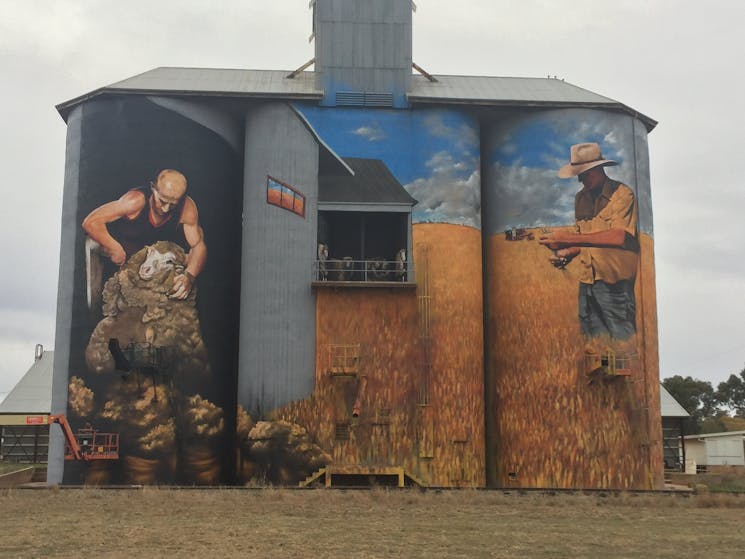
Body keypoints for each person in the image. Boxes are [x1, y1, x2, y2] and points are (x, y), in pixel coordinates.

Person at [539, 142, 638, 340]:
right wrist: (567, 253)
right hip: (587, 282)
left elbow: (619, 237)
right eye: (578, 174)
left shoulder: (622, 195)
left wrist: (566, 238)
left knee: (623, 345)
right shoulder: (580, 198)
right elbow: (586, 239)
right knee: (595, 346)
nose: (580, 180)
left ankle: (621, 371)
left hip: (615, 284)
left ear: (598, 169)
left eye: (584, 174)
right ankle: (604, 370)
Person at [82, 169, 206, 299]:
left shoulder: (187, 208)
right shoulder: (135, 201)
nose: (166, 209)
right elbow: (90, 222)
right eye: (162, 201)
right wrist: (114, 248)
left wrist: (189, 276)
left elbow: (198, 246)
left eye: (173, 205)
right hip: (113, 253)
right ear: (153, 188)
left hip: (143, 260)